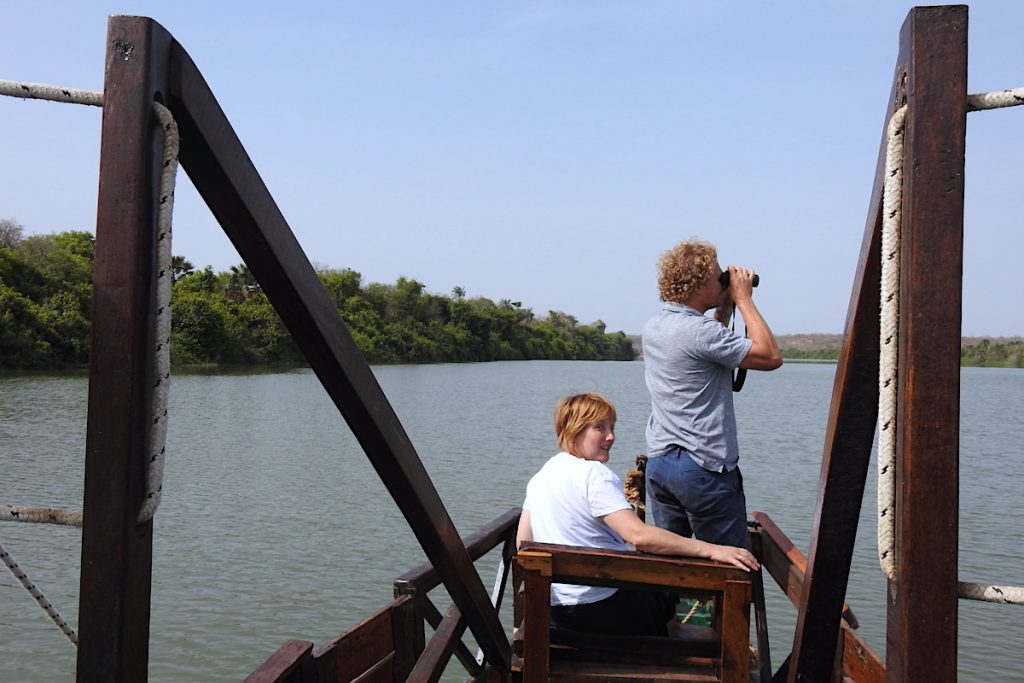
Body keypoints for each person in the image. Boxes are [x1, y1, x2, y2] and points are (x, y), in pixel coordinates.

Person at [516, 392, 759, 637]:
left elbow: (522, 541)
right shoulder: (594, 474)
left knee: (655, 589)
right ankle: (699, 651)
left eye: (612, 427)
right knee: (668, 590)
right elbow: (638, 536)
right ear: (573, 430)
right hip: (601, 609)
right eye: (599, 428)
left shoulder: (542, 476)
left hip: (554, 610)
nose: (611, 436)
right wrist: (712, 549)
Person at [642, 238, 782, 550]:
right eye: (719, 276)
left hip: (662, 464)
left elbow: (706, 344)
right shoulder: (701, 332)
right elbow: (771, 356)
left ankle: (673, 601)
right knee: (725, 566)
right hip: (703, 467)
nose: (725, 281)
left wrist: (725, 305)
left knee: (672, 559)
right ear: (698, 284)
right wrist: (744, 300)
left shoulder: (655, 326)